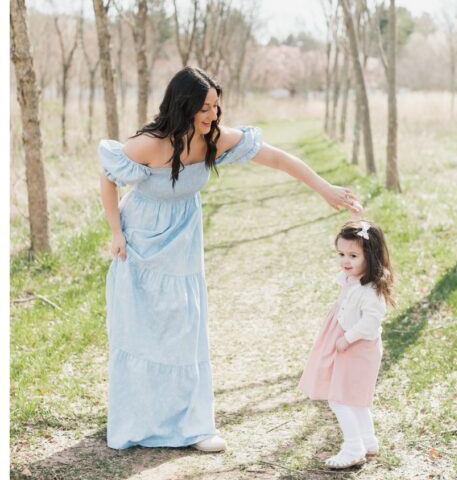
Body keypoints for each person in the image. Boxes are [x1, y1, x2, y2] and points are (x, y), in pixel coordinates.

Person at [100, 66, 361, 452]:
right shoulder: (149, 142)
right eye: (204, 108)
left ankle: (193, 425)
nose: (212, 116)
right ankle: (137, 420)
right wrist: (116, 231)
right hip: (141, 240)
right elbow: (108, 174)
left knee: (185, 327)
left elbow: (276, 158)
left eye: (215, 108)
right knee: (144, 330)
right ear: (183, 105)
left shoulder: (214, 140)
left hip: (183, 241)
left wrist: (324, 188)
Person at [299, 219, 395, 469]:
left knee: (340, 398)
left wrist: (347, 339)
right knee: (353, 398)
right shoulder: (353, 280)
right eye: (341, 254)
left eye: (353, 255)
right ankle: (368, 440)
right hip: (348, 346)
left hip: (356, 348)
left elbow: (370, 325)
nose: (345, 261)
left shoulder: (370, 291)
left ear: (370, 256)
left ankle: (353, 447)